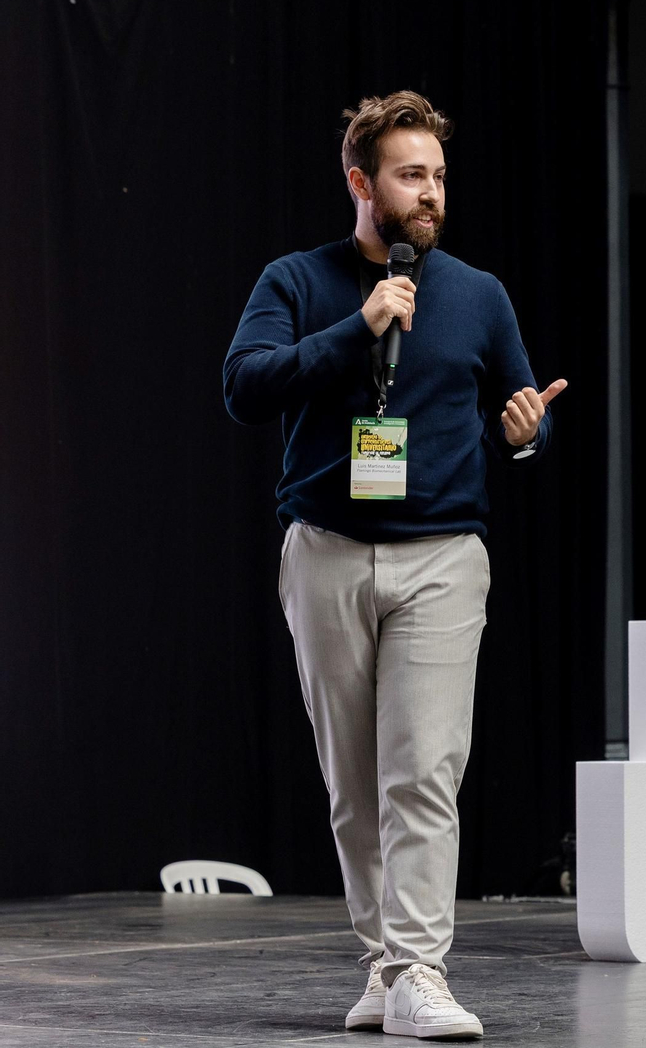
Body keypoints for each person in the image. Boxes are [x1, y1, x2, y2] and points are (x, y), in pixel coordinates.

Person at [223, 90, 564, 1040]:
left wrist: (528, 432)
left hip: (443, 557)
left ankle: (419, 969)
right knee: (354, 787)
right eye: (411, 175)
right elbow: (244, 387)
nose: (431, 194)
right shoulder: (297, 280)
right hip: (325, 555)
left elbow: (524, 405)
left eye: (439, 176)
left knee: (422, 773)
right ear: (360, 182)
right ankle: (383, 963)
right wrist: (357, 327)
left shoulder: (479, 294)